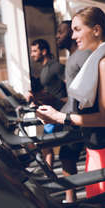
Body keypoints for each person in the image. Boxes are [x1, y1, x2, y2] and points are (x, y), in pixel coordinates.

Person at [36, 6, 105, 208]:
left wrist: (62, 118)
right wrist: (54, 116)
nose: (73, 35)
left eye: (78, 29)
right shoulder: (95, 62)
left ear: (96, 30)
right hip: (94, 150)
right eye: (72, 30)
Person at [56, 20, 90, 203]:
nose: (57, 36)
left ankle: (71, 200)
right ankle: (71, 198)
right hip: (71, 115)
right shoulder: (74, 57)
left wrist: (66, 116)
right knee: (66, 157)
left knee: (67, 156)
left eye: (60, 32)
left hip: (77, 119)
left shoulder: (81, 56)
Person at [27, 38, 66, 169]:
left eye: (34, 51)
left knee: (45, 145)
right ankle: (49, 175)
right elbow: (50, 91)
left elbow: (72, 87)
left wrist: (63, 102)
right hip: (52, 111)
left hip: (60, 111)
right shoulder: (44, 69)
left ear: (43, 51)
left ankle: (49, 176)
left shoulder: (55, 67)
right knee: (45, 146)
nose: (32, 54)